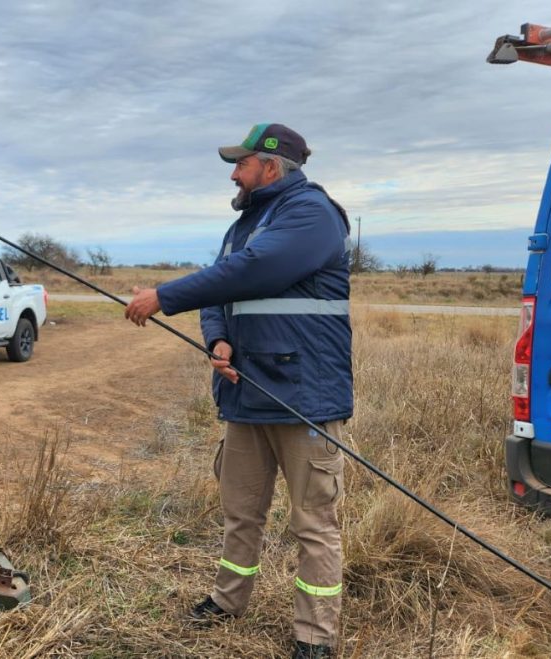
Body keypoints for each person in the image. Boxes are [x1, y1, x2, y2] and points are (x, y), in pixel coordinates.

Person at [124, 123, 352, 659]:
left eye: (242, 163)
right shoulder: (248, 224)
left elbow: (254, 270)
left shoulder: (311, 214)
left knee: (313, 522)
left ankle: (315, 637)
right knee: (240, 509)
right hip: (246, 392)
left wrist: (162, 296)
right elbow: (220, 289)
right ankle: (228, 601)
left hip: (303, 398)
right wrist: (219, 340)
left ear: (271, 167)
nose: (233, 172)